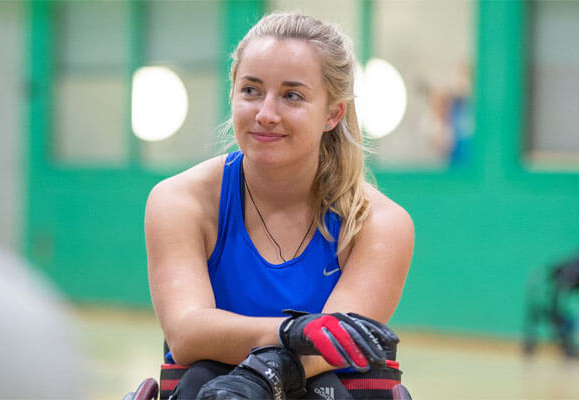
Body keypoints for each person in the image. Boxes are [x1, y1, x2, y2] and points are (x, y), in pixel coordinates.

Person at [145, 11, 414, 399]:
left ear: (333, 113)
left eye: (292, 95)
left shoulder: (380, 222)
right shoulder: (180, 200)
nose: (266, 114)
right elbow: (186, 334)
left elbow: (338, 348)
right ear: (233, 93)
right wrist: (292, 333)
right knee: (201, 377)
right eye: (251, 90)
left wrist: (261, 374)